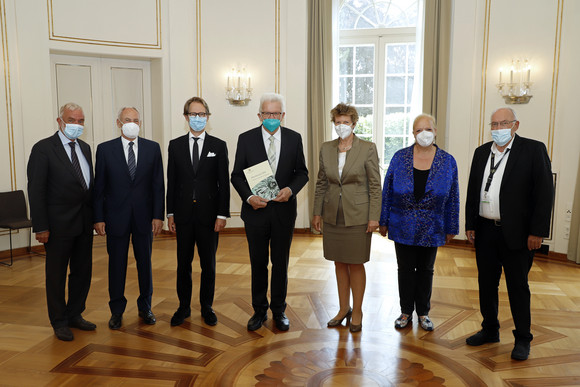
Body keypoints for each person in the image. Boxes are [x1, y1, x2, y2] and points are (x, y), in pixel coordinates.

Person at [465, 107, 553, 360]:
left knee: (518, 287)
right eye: (494, 124)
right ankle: (490, 330)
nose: (498, 128)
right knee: (486, 284)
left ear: (515, 125)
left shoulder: (534, 150)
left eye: (504, 123)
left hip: (518, 234)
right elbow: (473, 190)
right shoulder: (482, 152)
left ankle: (523, 339)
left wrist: (538, 231)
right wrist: (470, 224)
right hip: (485, 231)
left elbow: (544, 194)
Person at [231, 92, 308, 331]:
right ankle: (258, 311)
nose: (271, 117)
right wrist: (250, 197)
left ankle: (278, 310)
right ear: (259, 115)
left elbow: (302, 173)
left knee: (281, 263)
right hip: (255, 212)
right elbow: (236, 175)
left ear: (283, 115)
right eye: (267, 113)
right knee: (258, 263)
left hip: (284, 211)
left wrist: (291, 190)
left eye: (276, 113)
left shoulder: (295, 139)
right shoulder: (246, 139)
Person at [379, 113, 459, 332]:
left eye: (428, 129)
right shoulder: (399, 157)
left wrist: (452, 226)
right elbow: (387, 192)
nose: (423, 133)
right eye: (418, 130)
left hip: (432, 226)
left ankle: (423, 312)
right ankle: (405, 312)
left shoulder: (447, 161)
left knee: (426, 270)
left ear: (435, 131)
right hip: (401, 223)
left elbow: (453, 196)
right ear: (413, 133)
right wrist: (383, 220)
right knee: (404, 269)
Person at [27, 102, 96, 341]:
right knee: (55, 275)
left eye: (81, 121)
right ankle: (59, 321)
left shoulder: (85, 148)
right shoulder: (44, 149)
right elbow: (36, 190)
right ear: (59, 121)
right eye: (71, 120)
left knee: (82, 272)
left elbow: (88, 188)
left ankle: (75, 313)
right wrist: (41, 226)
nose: (76, 125)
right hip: (56, 227)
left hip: (84, 224)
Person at [312, 103, 381, 332]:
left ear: (354, 123)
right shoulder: (326, 148)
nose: (342, 126)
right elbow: (322, 182)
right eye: (338, 122)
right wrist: (317, 212)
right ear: (334, 123)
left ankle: (358, 310)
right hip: (333, 214)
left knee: (356, 262)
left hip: (358, 215)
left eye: (346, 122)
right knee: (339, 262)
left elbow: (374, 185)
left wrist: (374, 217)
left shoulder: (367, 148)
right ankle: (344, 309)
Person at [93, 107, 164, 329]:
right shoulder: (104, 150)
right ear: (118, 122)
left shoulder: (153, 148)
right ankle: (116, 311)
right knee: (116, 265)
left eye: (135, 120)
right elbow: (99, 188)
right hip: (115, 218)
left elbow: (158, 185)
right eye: (127, 120)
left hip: (144, 218)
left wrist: (157, 216)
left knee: (145, 264)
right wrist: (98, 218)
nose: (131, 123)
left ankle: (146, 307)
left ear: (140, 123)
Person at [166, 97, 230, 327]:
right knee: (183, 264)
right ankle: (183, 307)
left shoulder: (218, 146)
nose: (197, 118)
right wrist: (170, 213)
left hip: (209, 217)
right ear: (186, 117)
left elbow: (224, 182)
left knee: (208, 265)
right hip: (182, 216)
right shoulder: (175, 145)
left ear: (207, 117)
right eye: (193, 114)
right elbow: (171, 182)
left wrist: (222, 215)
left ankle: (207, 306)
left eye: (202, 114)